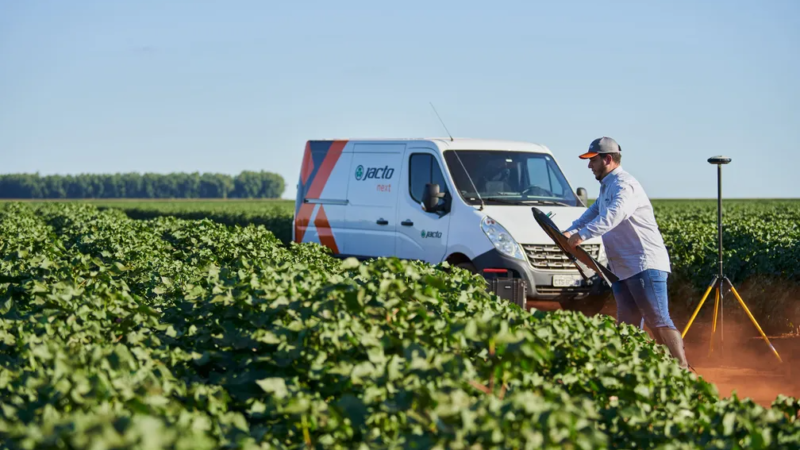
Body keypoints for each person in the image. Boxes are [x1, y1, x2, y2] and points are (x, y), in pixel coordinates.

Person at [562, 137, 689, 369]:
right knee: (628, 324)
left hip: (644, 264)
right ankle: (632, 370)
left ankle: (681, 369)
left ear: (607, 159)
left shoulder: (624, 185)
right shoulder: (607, 186)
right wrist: (570, 230)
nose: (589, 166)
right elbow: (592, 213)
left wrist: (581, 236)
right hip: (623, 268)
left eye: (593, 160)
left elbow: (613, 215)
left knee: (658, 319)